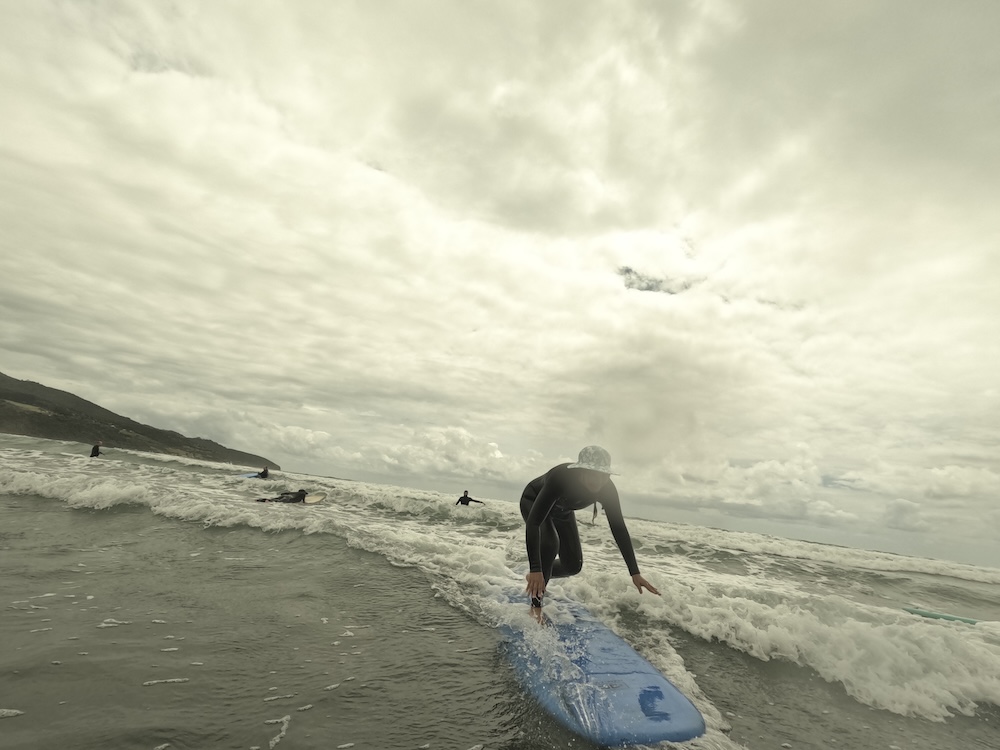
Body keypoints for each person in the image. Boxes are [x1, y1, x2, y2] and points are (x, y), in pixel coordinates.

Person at [521, 446, 659, 613]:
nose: (598, 481)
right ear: (581, 471)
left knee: (573, 566)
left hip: (562, 512)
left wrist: (635, 573)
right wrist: (535, 568)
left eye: (603, 475)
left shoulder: (607, 489)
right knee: (550, 543)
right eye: (593, 474)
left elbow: (619, 528)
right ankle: (535, 607)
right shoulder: (561, 477)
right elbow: (534, 523)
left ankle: (539, 576)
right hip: (533, 501)